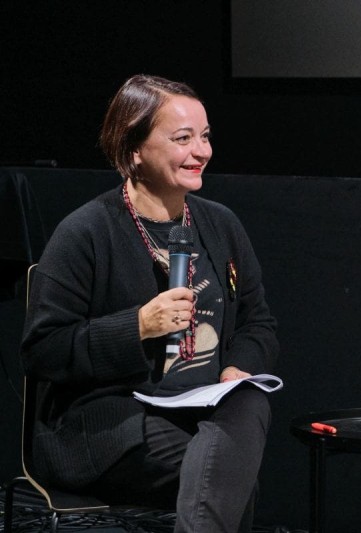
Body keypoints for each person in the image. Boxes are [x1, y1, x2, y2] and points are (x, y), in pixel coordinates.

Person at [21, 74, 279, 533]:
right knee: (224, 480)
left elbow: (258, 321)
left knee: (251, 402)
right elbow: (44, 349)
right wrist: (137, 326)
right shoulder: (86, 232)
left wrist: (236, 367)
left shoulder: (221, 225)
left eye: (205, 136)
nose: (202, 151)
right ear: (134, 149)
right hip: (110, 423)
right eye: (183, 138)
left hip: (200, 408)